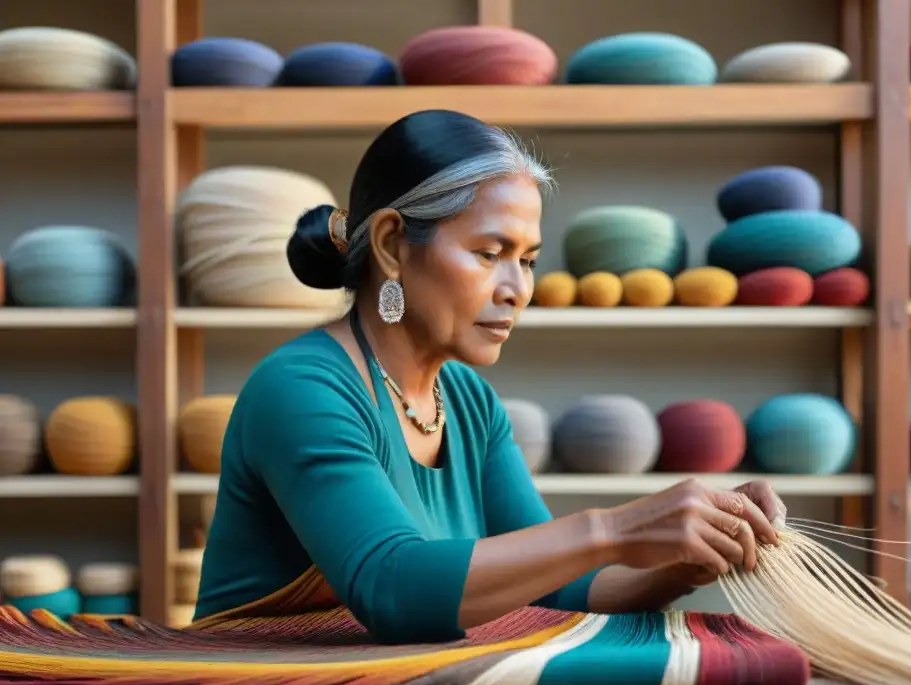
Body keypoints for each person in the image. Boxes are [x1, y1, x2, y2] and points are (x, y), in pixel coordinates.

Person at [193, 109, 786, 644]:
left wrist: (684, 559)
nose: (517, 290)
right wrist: (617, 528)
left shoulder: (468, 403)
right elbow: (392, 588)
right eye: (489, 253)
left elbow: (554, 592)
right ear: (393, 245)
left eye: (527, 260)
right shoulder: (301, 388)